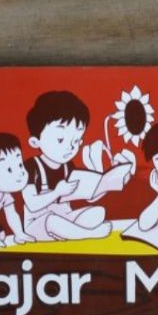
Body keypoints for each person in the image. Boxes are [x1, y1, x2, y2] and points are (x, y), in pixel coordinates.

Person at [22, 91, 112, 241]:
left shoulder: (68, 167)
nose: (70, 147)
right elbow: (31, 204)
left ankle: (69, 232)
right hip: (38, 225)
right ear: (35, 142)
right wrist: (57, 192)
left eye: (76, 141)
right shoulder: (31, 167)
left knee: (98, 212)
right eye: (60, 140)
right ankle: (88, 234)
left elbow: (90, 197)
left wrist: (104, 182)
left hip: (65, 219)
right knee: (51, 221)